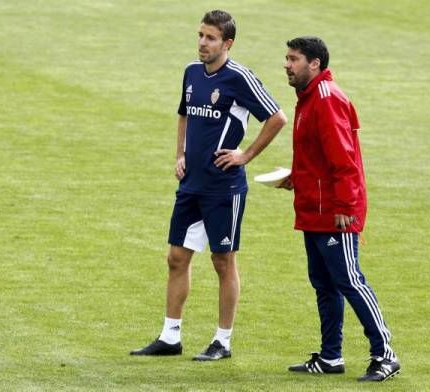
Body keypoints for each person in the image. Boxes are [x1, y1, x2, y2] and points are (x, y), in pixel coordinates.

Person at [130, 10, 287, 361]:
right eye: (200, 35)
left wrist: (245, 155)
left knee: (222, 260)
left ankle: (223, 341)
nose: (202, 43)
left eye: (210, 38)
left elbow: (277, 117)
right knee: (175, 258)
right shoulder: (191, 72)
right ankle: (170, 337)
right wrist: (180, 154)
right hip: (192, 184)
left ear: (227, 43)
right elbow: (184, 113)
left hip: (224, 188)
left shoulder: (240, 78)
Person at [279, 36, 400, 381]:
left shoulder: (326, 100)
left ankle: (385, 354)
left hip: (336, 211)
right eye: (286, 58)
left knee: (349, 280)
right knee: (324, 283)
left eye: (294, 59)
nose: (287, 65)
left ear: (314, 63)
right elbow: (319, 155)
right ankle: (331, 356)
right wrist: (296, 176)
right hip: (315, 208)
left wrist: (346, 205)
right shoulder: (309, 97)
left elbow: (344, 158)